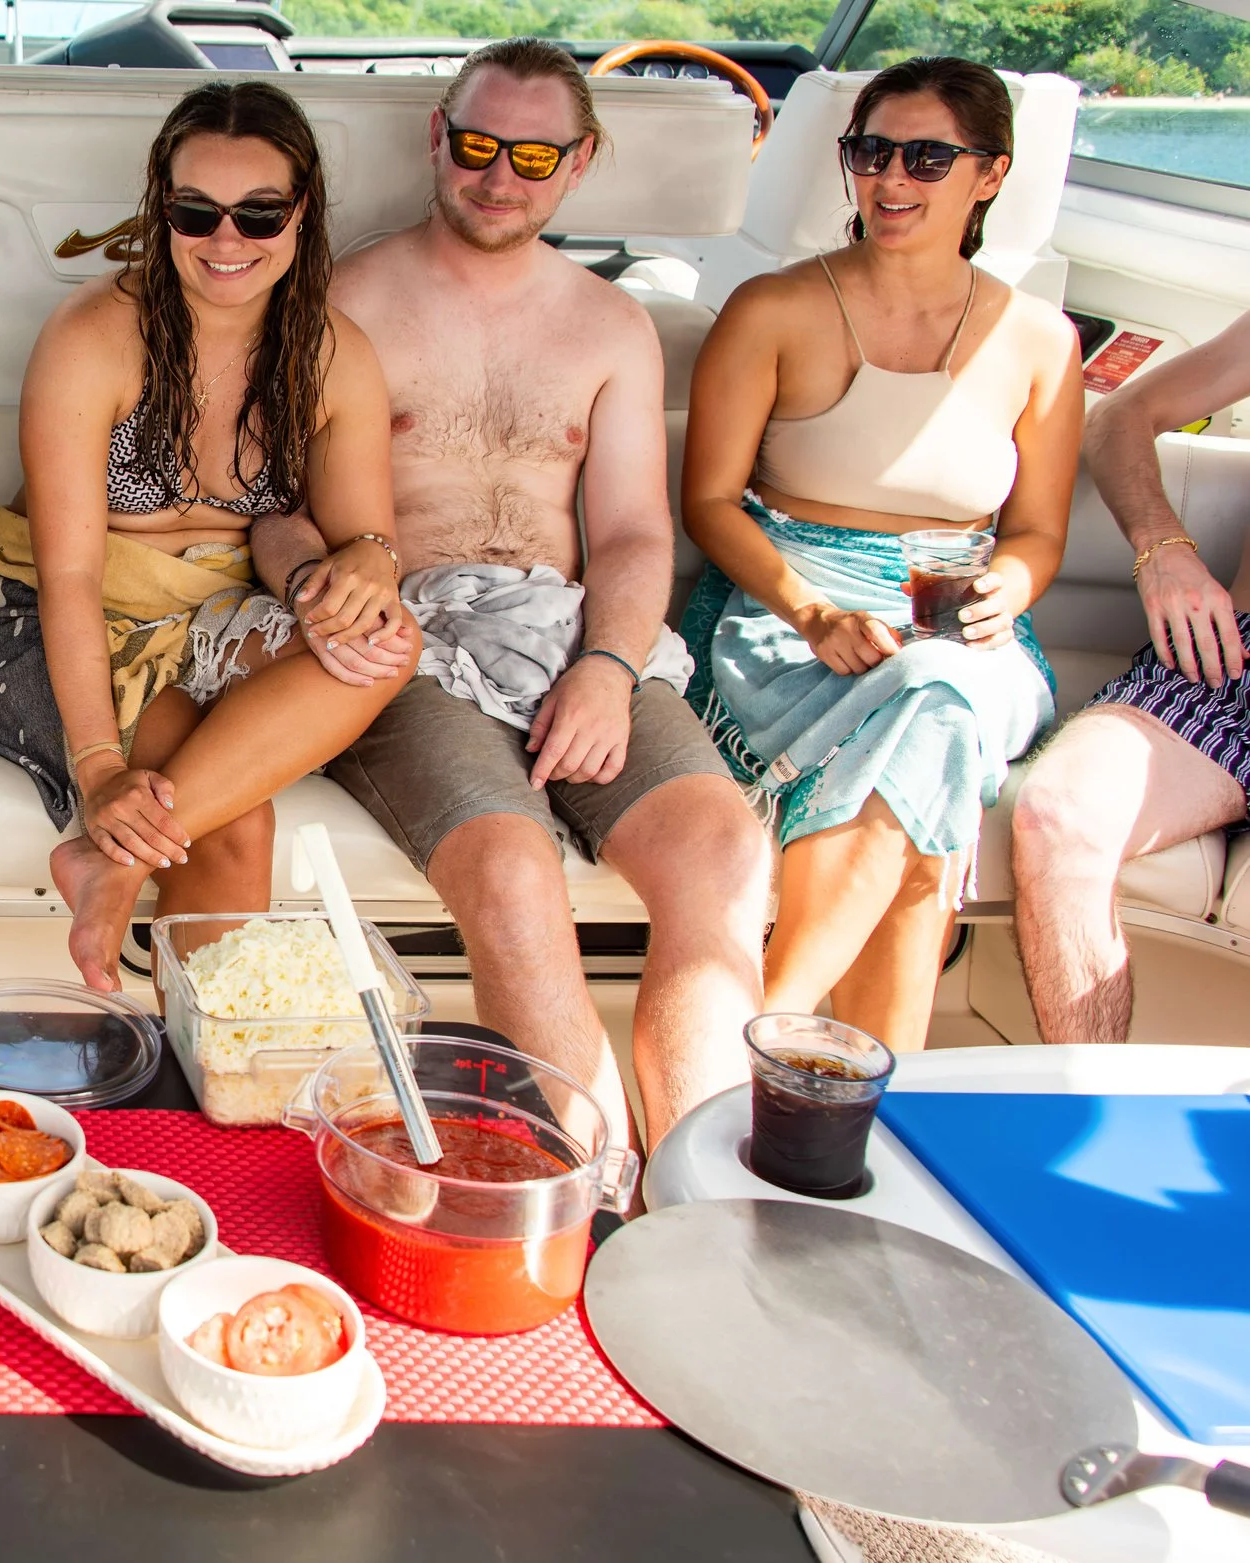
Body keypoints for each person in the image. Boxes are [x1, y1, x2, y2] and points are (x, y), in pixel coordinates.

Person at [252, 38, 770, 1149]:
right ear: (439, 138)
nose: (500, 177)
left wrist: (607, 667)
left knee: (721, 856)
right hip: (406, 629)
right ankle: (587, 1184)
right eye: (479, 145)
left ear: (579, 164)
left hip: (562, 629)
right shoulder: (340, 299)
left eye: (534, 157)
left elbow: (633, 533)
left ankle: (699, 1192)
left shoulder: (611, 325)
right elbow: (270, 505)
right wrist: (318, 585)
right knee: (510, 864)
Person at [0, 80, 414, 993]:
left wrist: (371, 558)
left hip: (216, 612)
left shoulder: (333, 354)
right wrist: (98, 772)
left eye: (259, 212)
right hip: (52, 610)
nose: (227, 240)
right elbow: (72, 571)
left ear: (302, 211)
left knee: (385, 641)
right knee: (234, 822)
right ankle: (206, 1076)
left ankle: (114, 872)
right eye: (195, 212)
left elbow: (368, 541)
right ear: (161, 211)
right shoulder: (95, 337)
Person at [681, 55, 1083, 1053]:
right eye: (869, 151)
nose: (890, 179)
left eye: (925, 158)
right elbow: (708, 504)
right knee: (933, 745)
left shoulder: (1040, 340)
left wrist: (1009, 587)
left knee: (940, 686)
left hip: (959, 627)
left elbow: (1036, 533)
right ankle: (851, 1096)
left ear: (988, 176)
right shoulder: (770, 309)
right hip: (787, 611)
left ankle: (759, 1029)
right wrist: (810, 611)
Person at [1010, 312, 1250, 1040]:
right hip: (1229, 669)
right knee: (1060, 814)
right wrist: (1162, 545)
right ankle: (1092, 1126)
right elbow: (1121, 414)